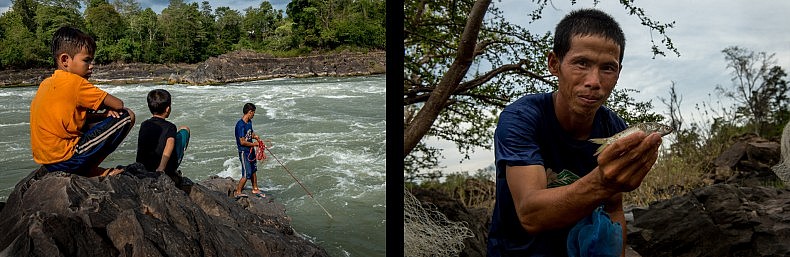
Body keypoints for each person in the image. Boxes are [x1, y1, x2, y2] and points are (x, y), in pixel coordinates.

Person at [487, 9, 663, 256]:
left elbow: (613, 210)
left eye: (608, 68)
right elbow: (530, 214)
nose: (594, 81)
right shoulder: (521, 119)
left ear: (618, 73)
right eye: (581, 63)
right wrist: (602, 182)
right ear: (554, 64)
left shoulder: (616, 130)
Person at [29, 26, 135, 177]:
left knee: (89, 119)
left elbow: (70, 118)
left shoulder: (46, 83)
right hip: (68, 159)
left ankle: (86, 168)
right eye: (87, 60)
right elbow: (118, 104)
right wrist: (107, 111)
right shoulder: (76, 83)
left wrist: (102, 116)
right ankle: (90, 169)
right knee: (126, 116)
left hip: (48, 161)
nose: (92, 66)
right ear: (65, 60)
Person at [136, 89, 191, 185]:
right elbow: (169, 144)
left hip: (144, 167)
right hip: (164, 168)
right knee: (184, 130)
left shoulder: (144, 124)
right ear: (168, 109)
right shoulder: (170, 127)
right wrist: (161, 168)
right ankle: (173, 172)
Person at [233, 103, 264, 198]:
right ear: (249, 112)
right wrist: (254, 144)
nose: (254, 114)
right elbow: (242, 142)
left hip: (251, 150)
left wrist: (255, 137)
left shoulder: (249, 122)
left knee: (254, 170)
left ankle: (255, 188)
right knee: (247, 173)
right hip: (244, 152)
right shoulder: (240, 125)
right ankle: (238, 192)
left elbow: (250, 133)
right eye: (253, 112)